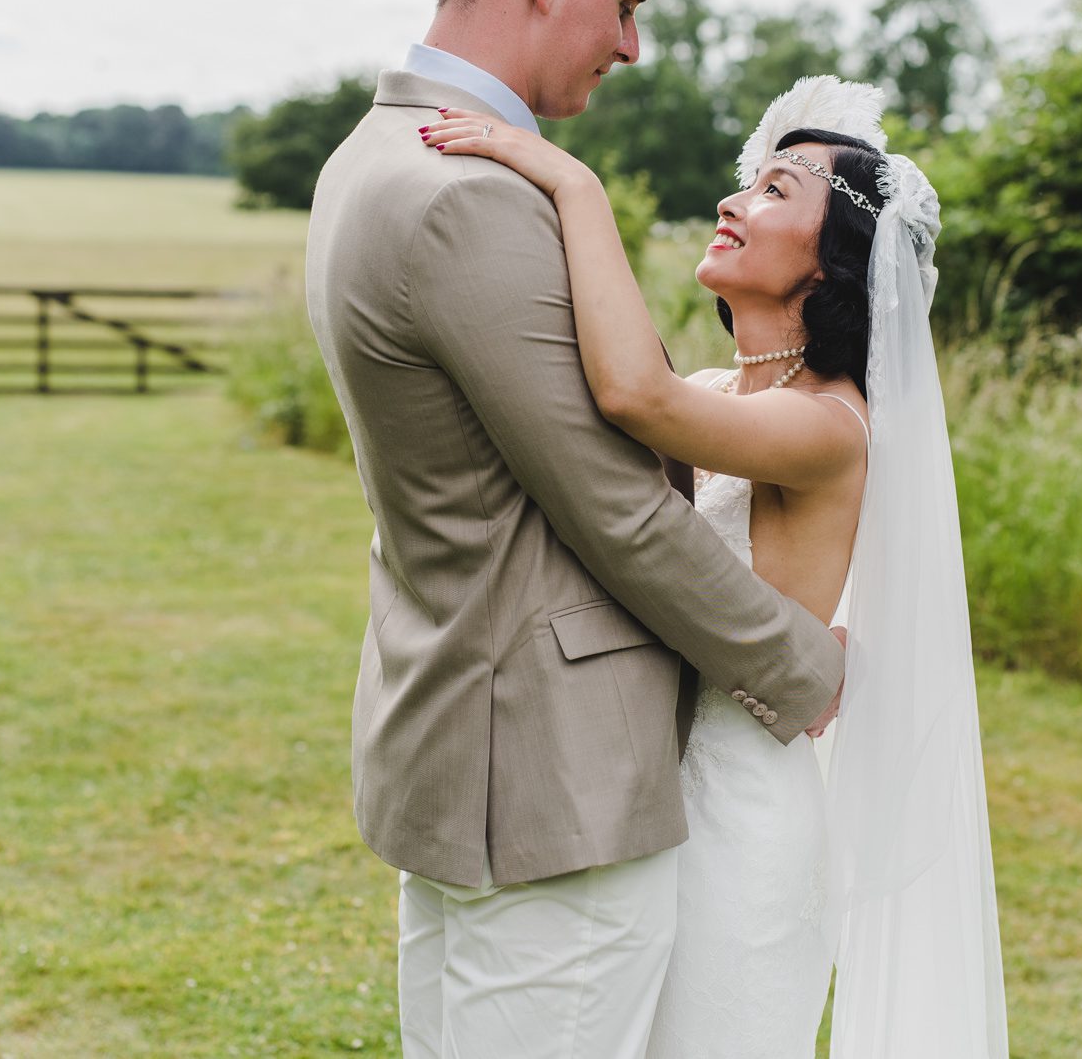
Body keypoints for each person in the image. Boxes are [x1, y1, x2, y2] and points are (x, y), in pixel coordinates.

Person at [302, 0, 847, 1059]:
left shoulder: (367, 160)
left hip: (459, 741)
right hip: (550, 782)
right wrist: (805, 668)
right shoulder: (469, 201)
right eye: (624, 2)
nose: (630, 45)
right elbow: (617, 508)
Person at [424, 74, 1008, 1057]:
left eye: (777, 192)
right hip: (639, 784)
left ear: (827, 268)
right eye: (751, 183)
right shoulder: (719, 392)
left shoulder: (824, 423)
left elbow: (630, 394)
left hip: (739, 814)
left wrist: (575, 188)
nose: (734, 201)